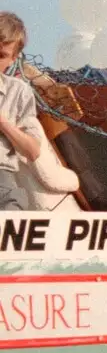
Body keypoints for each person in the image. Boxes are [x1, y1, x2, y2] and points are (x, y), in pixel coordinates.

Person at [0, 14, 44, 211]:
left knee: (13, 216)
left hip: (2, 183)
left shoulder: (17, 91)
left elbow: (33, 150)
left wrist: (3, 123)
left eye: (1, 56)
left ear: (13, 59)